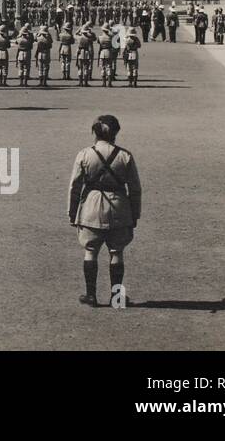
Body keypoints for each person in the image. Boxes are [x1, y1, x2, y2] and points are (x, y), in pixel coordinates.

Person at [68, 115, 142, 307]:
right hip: (119, 208)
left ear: (95, 132)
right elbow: (135, 189)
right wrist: (135, 214)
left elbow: (74, 186)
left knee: (90, 250)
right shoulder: (125, 156)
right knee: (117, 252)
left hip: (91, 208)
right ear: (116, 132)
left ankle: (91, 295)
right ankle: (116, 297)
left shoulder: (84, 154)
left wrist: (72, 212)